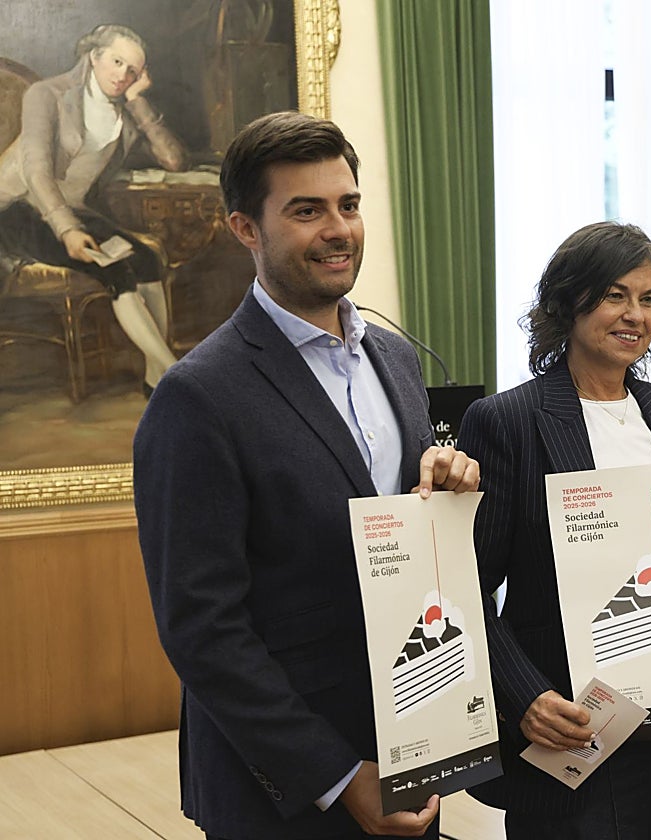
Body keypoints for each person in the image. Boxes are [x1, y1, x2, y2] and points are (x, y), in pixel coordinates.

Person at [133, 111, 479, 840]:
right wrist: (336, 776)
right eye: (306, 210)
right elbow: (203, 630)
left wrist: (444, 491)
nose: (338, 228)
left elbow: (394, 540)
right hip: (287, 792)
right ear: (244, 229)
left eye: (348, 205)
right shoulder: (197, 397)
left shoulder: (396, 359)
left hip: (412, 747)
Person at [457, 221, 651, 839]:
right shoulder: (506, 420)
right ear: (569, 303)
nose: (636, 315)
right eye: (615, 295)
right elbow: (467, 587)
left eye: (649, 299)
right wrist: (525, 697)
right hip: (571, 720)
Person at [0, 24, 188, 395]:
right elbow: (36, 170)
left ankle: (156, 379)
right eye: (117, 62)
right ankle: (177, 377)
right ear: (94, 56)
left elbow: (174, 160)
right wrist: (67, 229)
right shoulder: (47, 94)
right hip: (15, 209)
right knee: (114, 267)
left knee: (147, 260)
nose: (123, 75)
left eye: (133, 70)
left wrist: (138, 102)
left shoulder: (123, 111)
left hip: (70, 208)